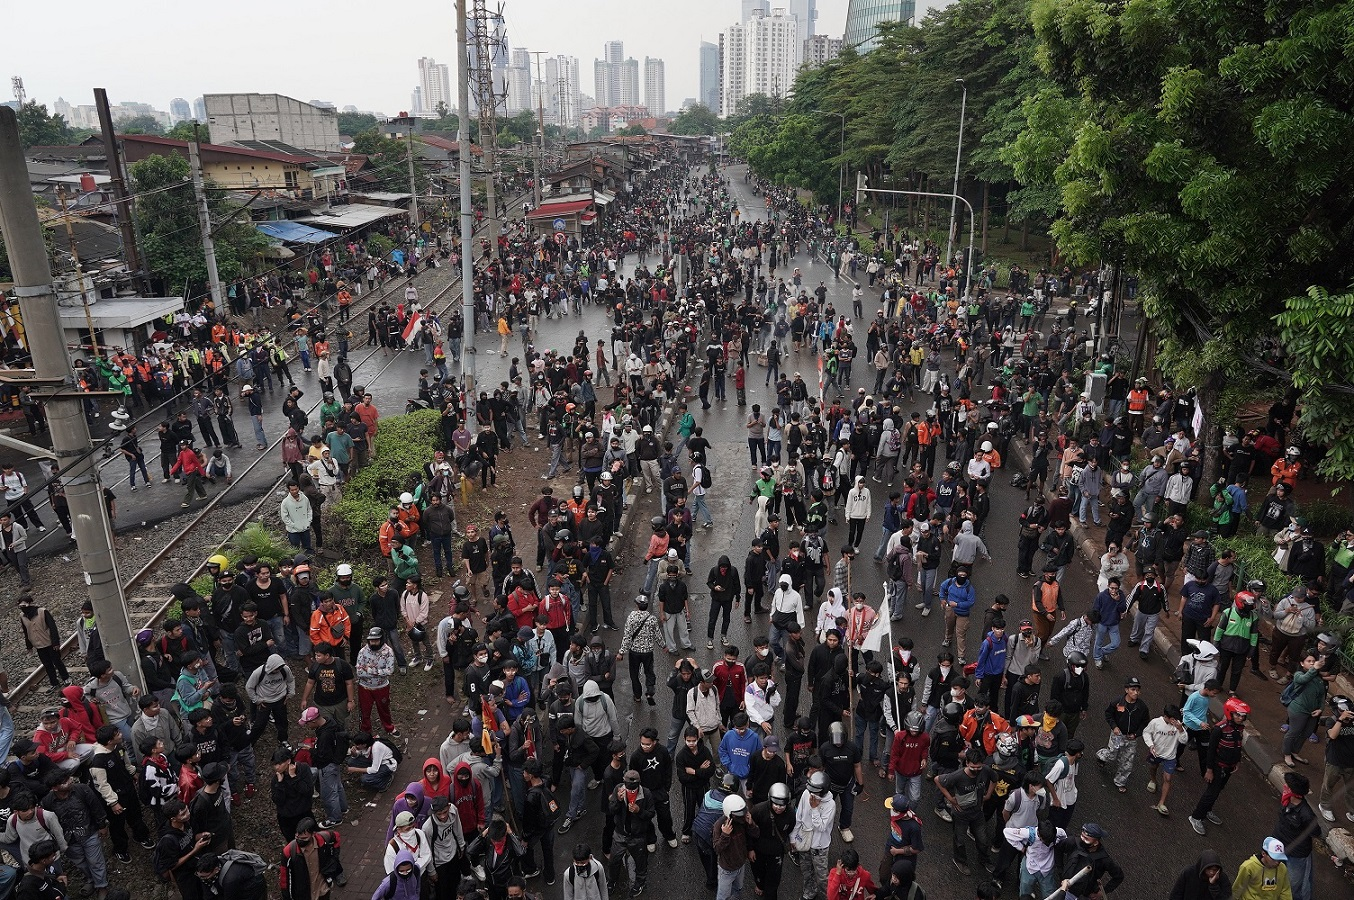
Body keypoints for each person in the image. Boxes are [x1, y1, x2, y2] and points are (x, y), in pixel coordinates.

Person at [1189, 697, 1248, 835]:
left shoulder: (1239, 729)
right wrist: (1209, 770)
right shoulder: (1219, 729)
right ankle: (1196, 817)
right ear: (1230, 713)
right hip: (1217, 766)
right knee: (1211, 793)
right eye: (1237, 714)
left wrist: (1237, 762)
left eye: (1242, 715)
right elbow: (1210, 751)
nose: (1240, 718)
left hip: (1229, 766)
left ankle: (1207, 810)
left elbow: (1237, 747)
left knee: (1218, 790)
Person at [791, 772, 835, 900]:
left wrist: (814, 808)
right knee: (806, 871)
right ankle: (809, 892)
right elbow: (799, 817)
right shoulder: (806, 793)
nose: (812, 794)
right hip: (804, 841)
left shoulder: (830, 805)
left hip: (819, 847)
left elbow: (821, 827)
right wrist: (793, 837)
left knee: (822, 877)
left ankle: (826, 896)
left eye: (815, 792)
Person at [421, 797, 466, 900]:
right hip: (439, 862)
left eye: (445, 812)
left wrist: (461, 845)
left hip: (453, 854)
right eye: (439, 814)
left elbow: (457, 827)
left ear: (449, 807)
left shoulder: (453, 810)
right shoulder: (427, 828)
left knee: (456, 885)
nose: (443, 816)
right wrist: (432, 871)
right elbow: (427, 850)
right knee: (442, 892)